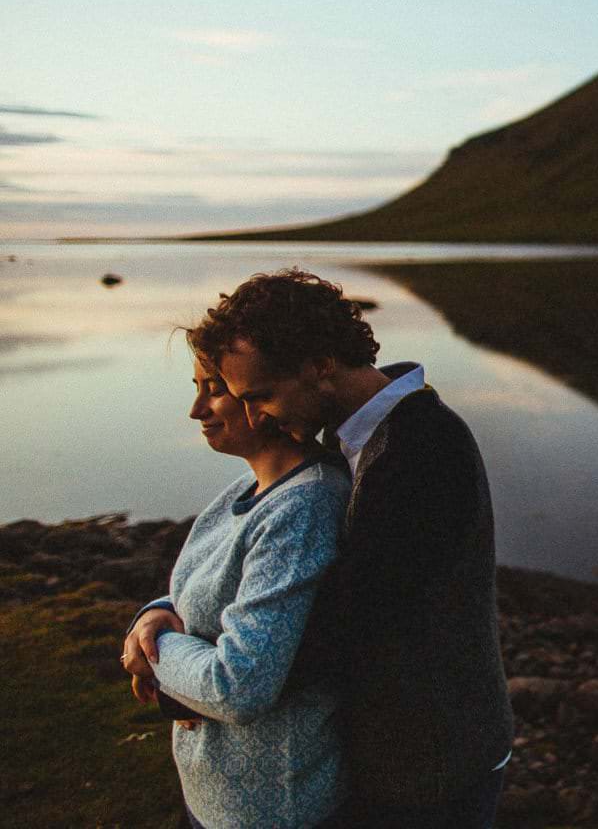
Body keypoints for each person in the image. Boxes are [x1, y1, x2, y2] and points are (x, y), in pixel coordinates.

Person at [187, 268, 515, 829]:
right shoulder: (348, 439)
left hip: (434, 765)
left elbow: (347, 625)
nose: (254, 415)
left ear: (319, 366)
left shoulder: (422, 451)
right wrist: (167, 614)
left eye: (261, 396)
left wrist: (190, 674)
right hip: (390, 755)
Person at [121, 354, 351, 828]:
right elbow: (198, 594)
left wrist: (156, 649)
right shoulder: (243, 490)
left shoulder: (304, 506)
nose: (196, 409)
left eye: (215, 389)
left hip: (271, 807)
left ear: (261, 397)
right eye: (197, 386)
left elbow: (238, 686)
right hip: (214, 795)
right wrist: (154, 614)